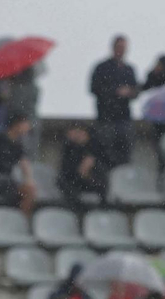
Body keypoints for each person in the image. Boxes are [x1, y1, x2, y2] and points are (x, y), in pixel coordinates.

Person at [89, 35, 139, 167]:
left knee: (125, 157)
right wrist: (115, 91)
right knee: (105, 155)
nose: (121, 50)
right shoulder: (102, 67)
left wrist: (129, 92)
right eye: (119, 47)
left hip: (124, 119)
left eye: (124, 48)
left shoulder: (129, 69)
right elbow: (94, 88)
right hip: (106, 118)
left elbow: (136, 91)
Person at [0, 113, 37, 214]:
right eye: (25, 123)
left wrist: (28, 179)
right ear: (17, 124)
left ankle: (21, 221)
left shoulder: (18, 144)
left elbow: (24, 163)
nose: (28, 126)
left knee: (30, 190)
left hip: (7, 179)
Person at [57, 123, 108, 201]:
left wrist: (88, 175)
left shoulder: (97, 150)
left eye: (79, 133)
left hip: (93, 187)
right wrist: (80, 171)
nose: (76, 137)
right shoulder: (68, 152)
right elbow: (66, 173)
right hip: (73, 188)